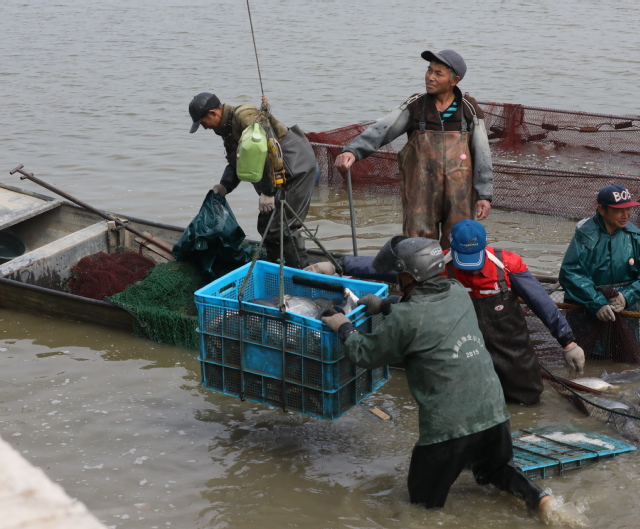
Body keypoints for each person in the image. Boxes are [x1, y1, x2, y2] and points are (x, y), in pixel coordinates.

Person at [320, 236, 555, 517]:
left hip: (448, 426)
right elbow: (426, 309)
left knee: (421, 508)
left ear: (410, 276)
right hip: (493, 411)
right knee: (495, 470)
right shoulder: (457, 291)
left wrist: (344, 328)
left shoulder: (406, 318)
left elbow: (366, 354)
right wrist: (384, 305)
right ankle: (541, 500)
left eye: (400, 274)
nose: (397, 278)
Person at [333, 49, 493, 250]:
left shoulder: (469, 110)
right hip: (420, 194)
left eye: (438, 73)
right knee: (417, 248)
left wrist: (484, 195)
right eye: (429, 70)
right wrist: (352, 151)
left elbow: (482, 154)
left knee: (459, 243)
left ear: (455, 80)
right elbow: (382, 130)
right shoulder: (416, 106)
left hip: (460, 195)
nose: (430, 77)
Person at [447, 220, 585, 405]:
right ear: (451, 247)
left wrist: (568, 343)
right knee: (466, 401)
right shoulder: (439, 268)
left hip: (510, 348)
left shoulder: (507, 264)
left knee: (527, 402)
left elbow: (541, 303)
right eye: (464, 260)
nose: (471, 269)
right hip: (464, 347)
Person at [188, 92, 318, 268]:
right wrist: (225, 185)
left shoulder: (244, 116)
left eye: (203, 122)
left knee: (281, 226)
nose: (204, 128)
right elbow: (238, 160)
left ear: (213, 113)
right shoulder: (227, 128)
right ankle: (278, 267)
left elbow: (268, 150)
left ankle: (299, 273)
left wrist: (268, 192)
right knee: (266, 225)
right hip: (277, 172)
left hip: (295, 167)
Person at [558, 184, 640, 359]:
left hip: (624, 313)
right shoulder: (585, 235)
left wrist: (626, 297)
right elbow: (570, 273)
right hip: (586, 314)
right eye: (619, 210)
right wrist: (597, 302)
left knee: (624, 361)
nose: (626, 215)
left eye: (629, 209)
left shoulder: (637, 238)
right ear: (602, 210)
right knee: (587, 360)